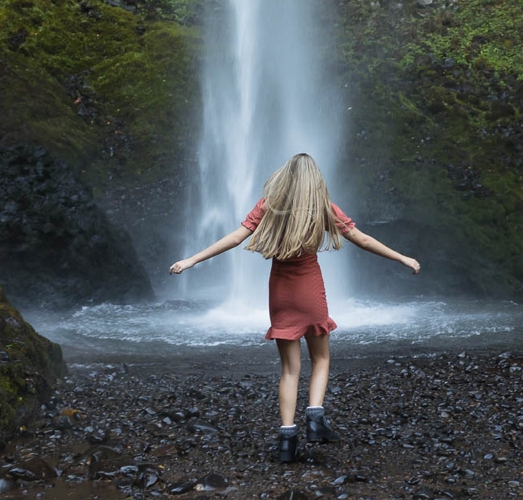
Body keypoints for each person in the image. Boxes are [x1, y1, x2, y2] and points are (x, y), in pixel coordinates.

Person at [168, 153, 420, 462]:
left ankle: (287, 441)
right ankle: (315, 417)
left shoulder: (270, 205)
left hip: (280, 293)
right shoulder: (323, 208)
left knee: (289, 370)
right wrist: (402, 258)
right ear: (316, 181)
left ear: (285, 177)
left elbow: (235, 238)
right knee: (321, 358)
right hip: (310, 291)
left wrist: (191, 260)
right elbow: (363, 240)